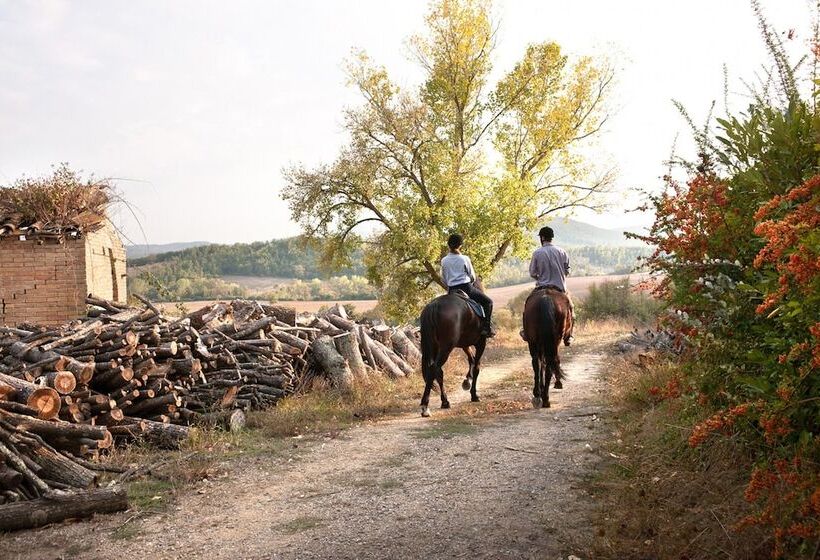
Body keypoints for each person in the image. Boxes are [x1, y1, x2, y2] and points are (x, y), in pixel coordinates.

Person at [524, 226, 575, 345]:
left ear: (542, 238)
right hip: (559, 289)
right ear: (552, 238)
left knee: (527, 305)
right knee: (571, 309)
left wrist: (540, 277)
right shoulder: (562, 252)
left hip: (541, 287)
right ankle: (569, 335)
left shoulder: (537, 253)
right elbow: (567, 271)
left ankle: (526, 331)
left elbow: (532, 272)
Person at [440, 233, 495, 338]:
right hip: (467, 288)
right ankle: (486, 328)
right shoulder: (464, 258)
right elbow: (472, 276)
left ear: (448, 245)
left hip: (452, 290)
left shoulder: (444, 260)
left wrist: (450, 284)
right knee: (488, 302)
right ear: (460, 245)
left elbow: (443, 278)